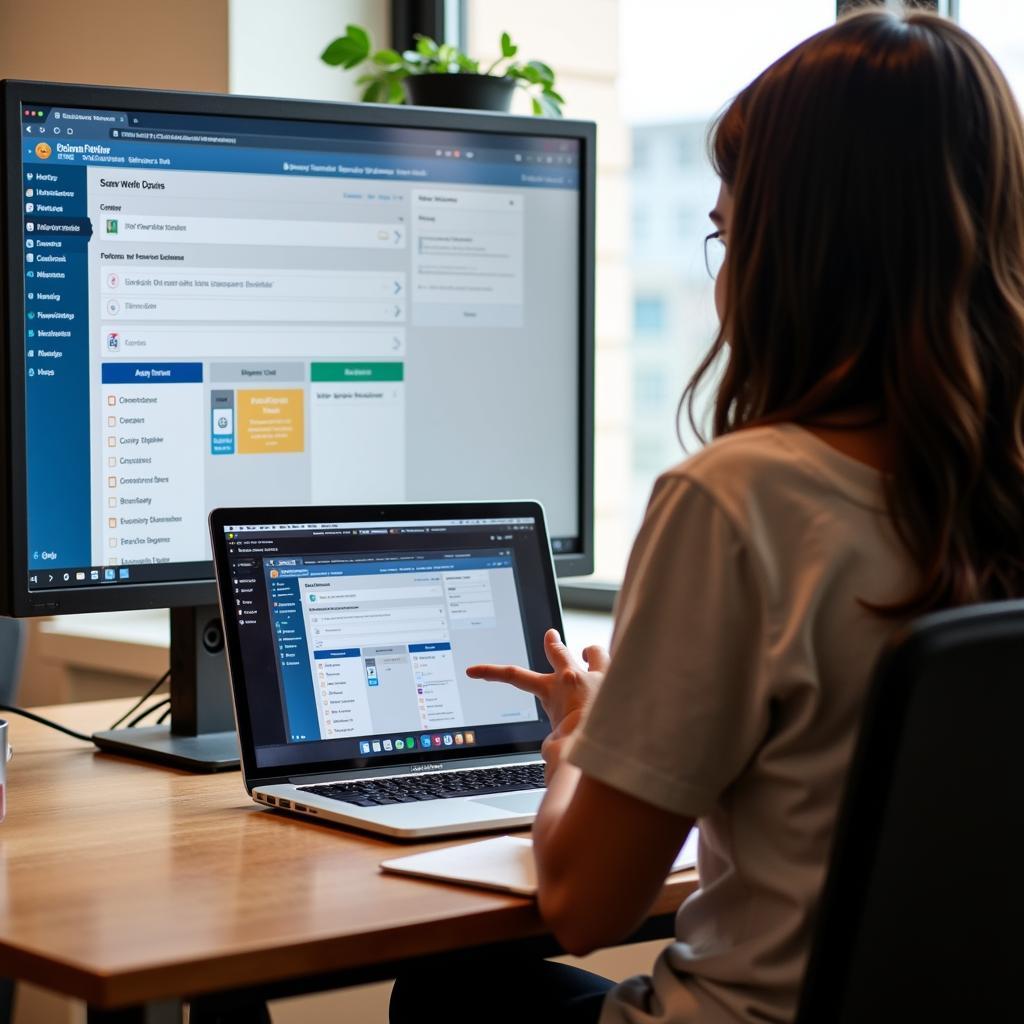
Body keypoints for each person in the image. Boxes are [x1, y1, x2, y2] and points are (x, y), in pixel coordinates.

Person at [389, 5, 1024, 1024]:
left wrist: (576, 747)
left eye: (728, 232)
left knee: (450, 992)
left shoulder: (738, 500)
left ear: (795, 253)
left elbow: (584, 903)